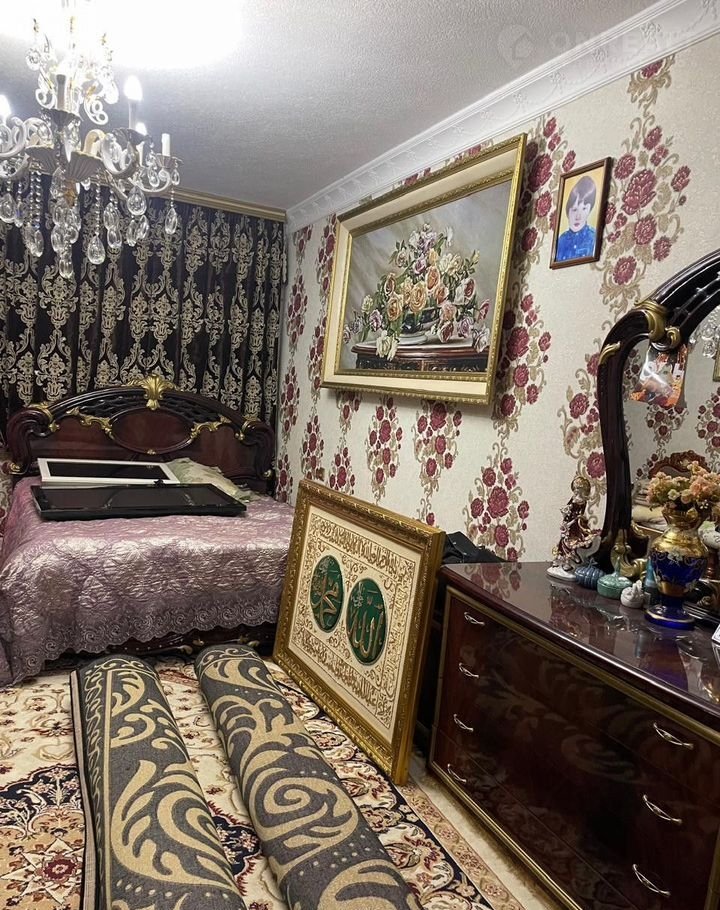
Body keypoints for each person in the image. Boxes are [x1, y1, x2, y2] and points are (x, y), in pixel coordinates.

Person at [555, 175, 597, 262]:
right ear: (568, 211)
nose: (578, 216)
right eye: (574, 209)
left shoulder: (593, 237)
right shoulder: (561, 241)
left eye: (584, 209)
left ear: (589, 210)